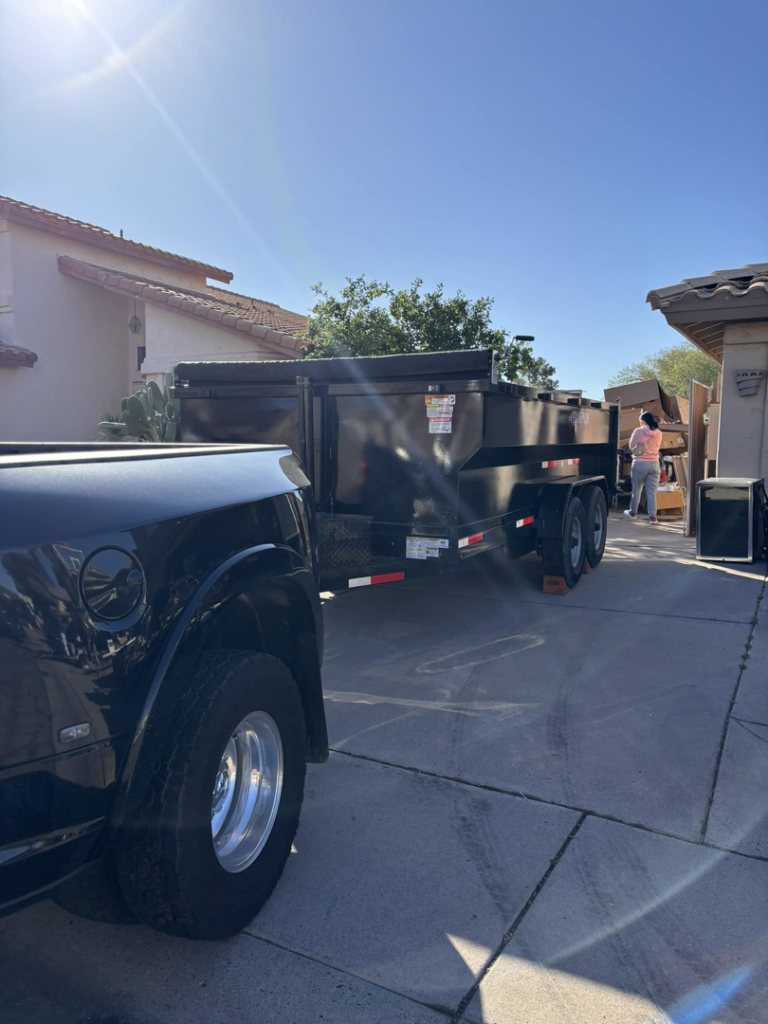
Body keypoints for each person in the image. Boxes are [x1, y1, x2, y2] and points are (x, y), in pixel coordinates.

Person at [624, 411, 662, 524]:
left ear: (643, 421)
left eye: (640, 421)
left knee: (637, 490)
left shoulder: (638, 431)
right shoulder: (659, 432)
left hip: (640, 463)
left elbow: (631, 446)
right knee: (652, 492)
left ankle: (632, 513)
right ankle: (653, 518)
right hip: (654, 464)